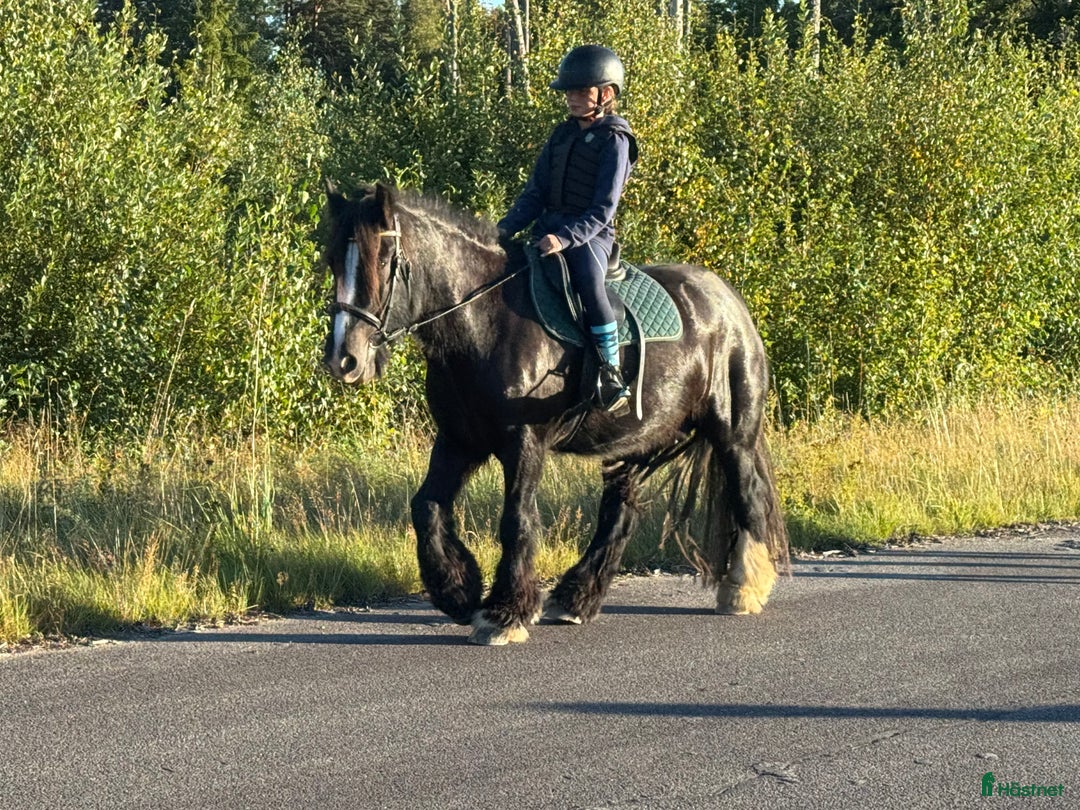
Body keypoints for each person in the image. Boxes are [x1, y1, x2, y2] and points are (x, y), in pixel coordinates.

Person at [498, 44, 638, 413]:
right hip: (548, 229)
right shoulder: (561, 135)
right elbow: (535, 193)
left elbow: (604, 209)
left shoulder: (616, 140)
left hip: (590, 236)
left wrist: (565, 238)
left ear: (606, 94)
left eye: (580, 91)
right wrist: (503, 229)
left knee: (589, 284)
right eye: (568, 92)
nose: (571, 98)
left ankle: (611, 373)